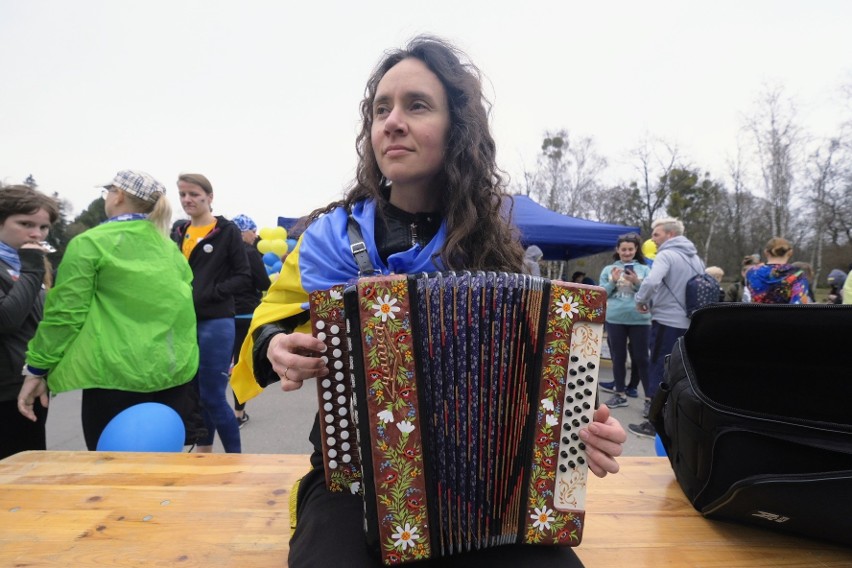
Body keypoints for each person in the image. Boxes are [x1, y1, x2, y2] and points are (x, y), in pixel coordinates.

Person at [231, 36, 626, 568]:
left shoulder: (493, 245)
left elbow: (545, 388)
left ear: (456, 130)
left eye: (416, 105)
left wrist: (584, 434)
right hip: (356, 480)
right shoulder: (328, 237)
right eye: (380, 109)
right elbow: (266, 325)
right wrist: (275, 345)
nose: (392, 121)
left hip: (485, 486)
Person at [17, 170, 199, 451]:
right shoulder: (169, 247)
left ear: (119, 195)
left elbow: (65, 314)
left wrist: (38, 367)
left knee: (109, 474)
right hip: (172, 375)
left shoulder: (90, 243)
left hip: (114, 376)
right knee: (162, 476)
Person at [173, 173, 250, 453]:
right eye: (182, 194)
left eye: (193, 194)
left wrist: (208, 292)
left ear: (209, 197)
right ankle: (204, 452)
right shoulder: (179, 232)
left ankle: (234, 458)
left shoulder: (226, 230)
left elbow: (244, 276)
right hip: (183, 323)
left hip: (216, 322)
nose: (187, 200)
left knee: (214, 396)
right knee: (196, 395)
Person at [630, 218, 705, 439]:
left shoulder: (667, 254)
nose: (653, 239)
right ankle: (676, 421)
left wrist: (640, 299)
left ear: (670, 235)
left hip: (666, 321)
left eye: (656, 234)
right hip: (689, 321)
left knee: (659, 368)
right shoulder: (696, 259)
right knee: (680, 370)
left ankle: (655, 424)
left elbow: (652, 281)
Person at [1, 186, 59, 459]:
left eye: (43, 227)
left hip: (29, 386)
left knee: (30, 473)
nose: (36, 234)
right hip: (4, 392)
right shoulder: (31, 264)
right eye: (25, 224)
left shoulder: (28, 265)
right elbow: (7, 320)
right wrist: (33, 267)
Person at [597, 233, 651, 408]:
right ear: (617, 250)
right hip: (615, 319)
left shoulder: (645, 270)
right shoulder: (608, 270)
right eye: (624, 249)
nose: (627, 253)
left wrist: (636, 282)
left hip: (640, 320)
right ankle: (619, 394)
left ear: (636, 250)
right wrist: (613, 281)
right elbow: (601, 294)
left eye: (631, 249)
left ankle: (650, 400)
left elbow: (651, 293)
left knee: (642, 359)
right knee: (618, 358)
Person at [229, 214, 270, 427]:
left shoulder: (223, 253)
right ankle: (238, 414)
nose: (255, 236)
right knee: (240, 364)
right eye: (252, 231)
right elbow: (263, 282)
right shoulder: (250, 253)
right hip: (246, 314)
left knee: (218, 366)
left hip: (222, 314)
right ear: (243, 232)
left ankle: (214, 413)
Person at [745, 237, 811, 304]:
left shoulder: (751, 273)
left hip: (755, 314)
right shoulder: (798, 275)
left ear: (766, 252)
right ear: (790, 253)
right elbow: (799, 304)